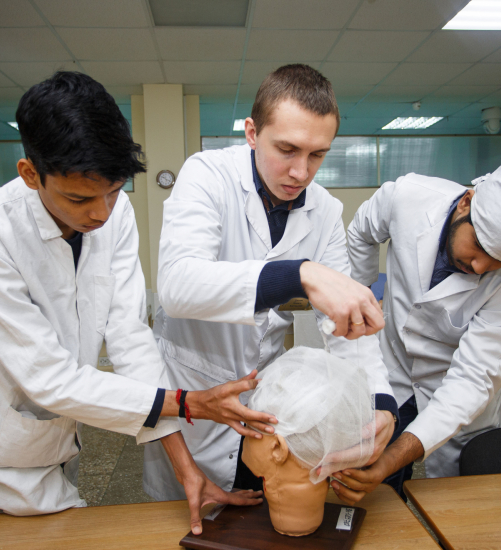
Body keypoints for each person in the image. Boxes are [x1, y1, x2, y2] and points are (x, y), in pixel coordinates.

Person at [0, 72, 265, 533]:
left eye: (113, 191)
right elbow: (47, 378)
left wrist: (186, 469)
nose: (100, 213)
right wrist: (188, 402)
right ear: (31, 174)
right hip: (5, 446)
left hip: (62, 431)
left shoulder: (114, 214)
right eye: (79, 198)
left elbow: (130, 338)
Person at [143, 64, 398, 501]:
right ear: (252, 133)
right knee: (184, 521)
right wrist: (300, 274)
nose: (301, 172)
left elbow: (349, 326)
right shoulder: (207, 174)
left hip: (263, 401)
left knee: (258, 511)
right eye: (287, 149)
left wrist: (380, 401)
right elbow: (178, 285)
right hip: (193, 398)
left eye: (317, 155)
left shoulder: (325, 210)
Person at [331, 158, 501, 503]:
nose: (479, 265)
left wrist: (393, 457)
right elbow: (361, 232)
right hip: (392, 372)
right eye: (479, 246)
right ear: (466, 202)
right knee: (376, 497)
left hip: (453, 393)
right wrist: (362, 296)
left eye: (498, 262)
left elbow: (473, 379)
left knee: (457, 505)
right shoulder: (408, 196)